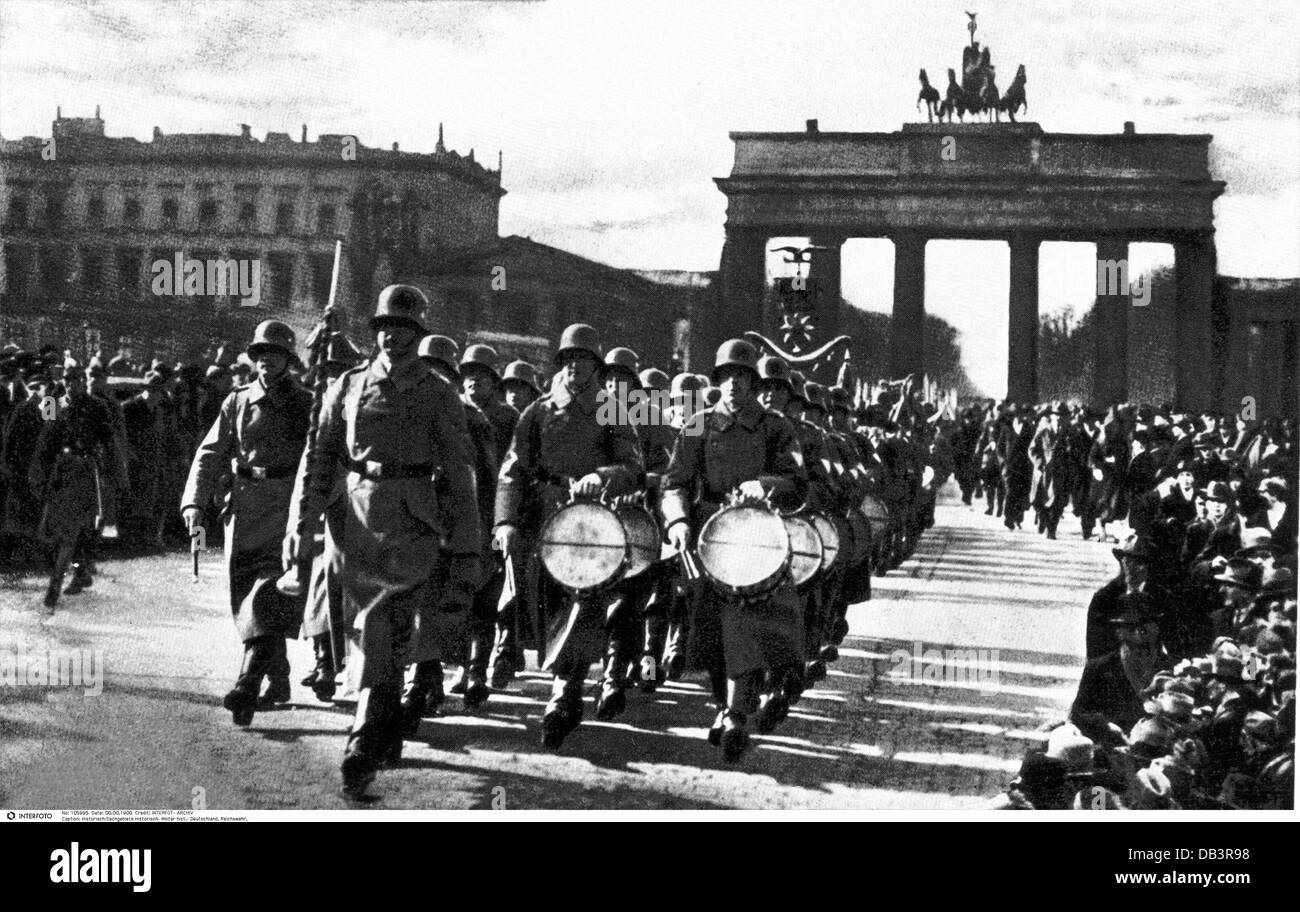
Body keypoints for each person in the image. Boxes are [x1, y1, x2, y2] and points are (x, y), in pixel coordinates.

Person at [293, 285, 482, 798]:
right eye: (383, 327)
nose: (390, 336)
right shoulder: (349, 385)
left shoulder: (438, 391)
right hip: (354, 514)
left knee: (382, 619)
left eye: (402, 328)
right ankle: (386, 717)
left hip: (413, 513)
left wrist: (467, 543)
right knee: (372, 626)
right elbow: (321, 456)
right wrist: (306, 522)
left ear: (418, 334)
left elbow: (459, 468)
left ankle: (360, 742)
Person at [492, 324, 642, 749]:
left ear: (596, 367)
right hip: (543, 516)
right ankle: (546, 672)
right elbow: (512, 469)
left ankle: (566, 692)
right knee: (545, 603)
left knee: (584, 602)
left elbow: (632, 464)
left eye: (585, 360)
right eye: (569, 359)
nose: (576, 367)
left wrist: (601, 475)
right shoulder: (538, 411)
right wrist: (505, 521)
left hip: (592, 522)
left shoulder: (612, 409)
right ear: (560, 364)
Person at [660, 339, 808, 760]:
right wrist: (678, 520)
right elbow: (674, 482)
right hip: (710, 536)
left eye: (742, 378)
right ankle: (726, 706)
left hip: (760, 537)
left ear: (753, 382)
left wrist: (766, 485)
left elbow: (797, 481)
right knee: (710, 630)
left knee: (747, 622)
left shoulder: (776, 427)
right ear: (717, 381)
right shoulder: (698, 424)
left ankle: (738, 712)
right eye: (726, 377)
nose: (733, 386)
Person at [182, 321, 313, 726]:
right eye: (260, 353)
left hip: (285, 506)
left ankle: (246, 685)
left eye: (275, 353)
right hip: (242, 506)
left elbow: (319, 456)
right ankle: (279, 677)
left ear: (288, 360)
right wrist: (194, 502)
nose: (266, 360)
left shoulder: (305, 403)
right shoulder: (236, 401)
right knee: (243, 597)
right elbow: (210, 452)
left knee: (266, 593)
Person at [29, 364, 129, 608]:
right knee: (57, 531)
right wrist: (38, 474)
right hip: (61, 472)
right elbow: (44, 441)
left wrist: (118, 473)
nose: (72, 384)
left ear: (84, 381)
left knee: (74, 531)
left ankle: (54, 588)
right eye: (68, 380)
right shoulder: (54, 404)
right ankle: (80, 569)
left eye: (77, 380)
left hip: (86, 472)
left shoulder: (97, 406)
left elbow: (109, 442)